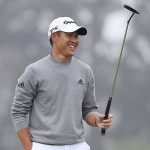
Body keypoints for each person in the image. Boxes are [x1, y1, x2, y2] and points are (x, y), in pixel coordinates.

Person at [11, 17, 113, 150]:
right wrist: (28, 147)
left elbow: (88, 109)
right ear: (54, 36)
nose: (74, 40)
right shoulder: (34, 71)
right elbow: (18, 111)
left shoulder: (85, 70)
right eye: (69, 35)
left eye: (76, 36)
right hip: (43, 146)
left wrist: (96, 120)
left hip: (78, 145)